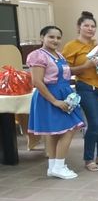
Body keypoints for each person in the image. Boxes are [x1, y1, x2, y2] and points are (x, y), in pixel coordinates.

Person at [27, 26, 85, 179]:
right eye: (51, 37)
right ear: (42, 37)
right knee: (69, 130)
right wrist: (55, 101)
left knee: (55, 133)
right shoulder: (38, 55)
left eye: (58, 37)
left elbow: (66, 74)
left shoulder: (59, 55)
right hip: (49, 96)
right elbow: (37, 81)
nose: (55, 40)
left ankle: (53, 167)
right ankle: (59, 167)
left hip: (63, 94)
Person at [63, 11, 98, 172]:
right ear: (79, 27)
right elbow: (64, 70)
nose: (90, 28)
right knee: (95, 124)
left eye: (93, 26)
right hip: (86, 87)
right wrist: (84, 67)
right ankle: (88, 159)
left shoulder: (97, 45)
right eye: (86, 25)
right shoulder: (71, 46)